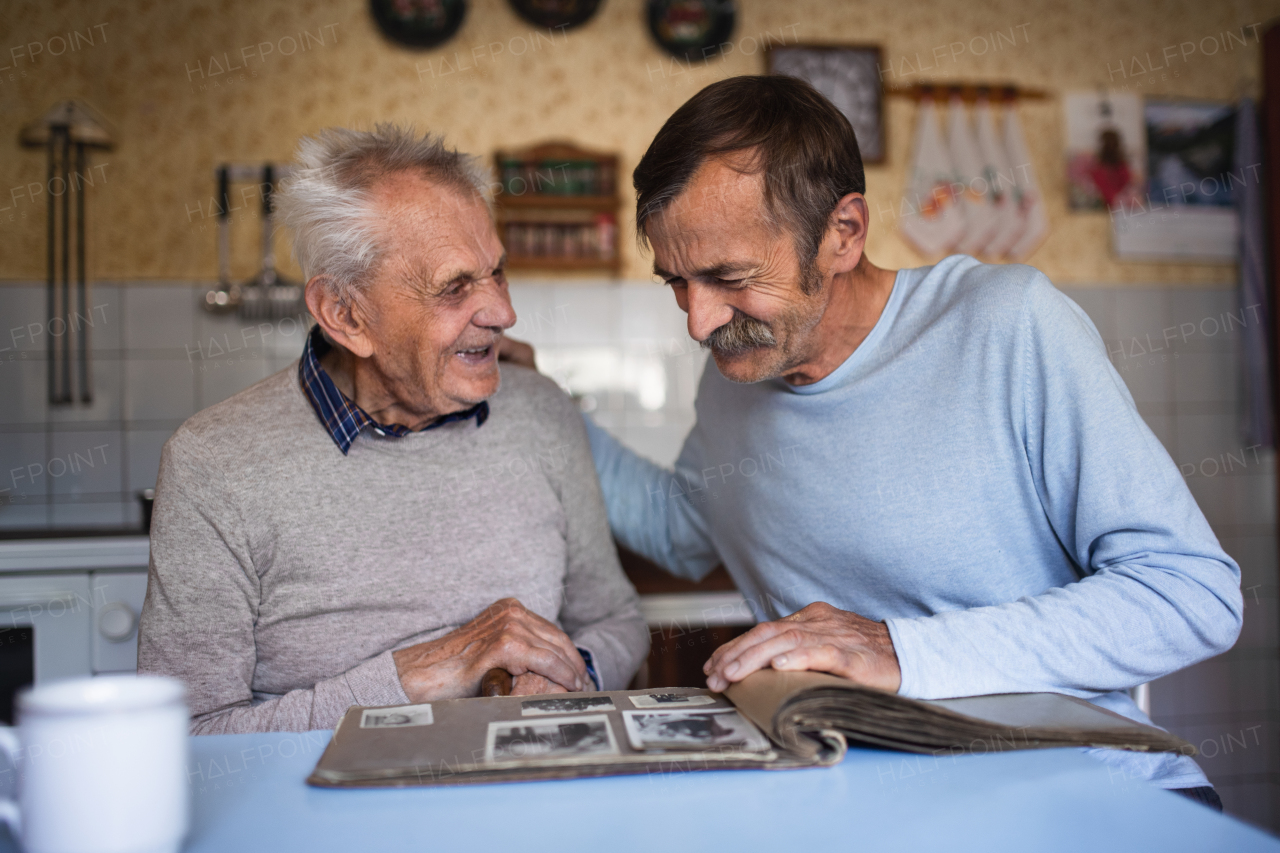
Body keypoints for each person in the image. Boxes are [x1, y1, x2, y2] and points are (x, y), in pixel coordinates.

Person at [581, 76, 1240, 807]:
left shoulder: (1006, 325)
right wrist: (536, 401)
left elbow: (1191, 594)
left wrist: (897, 648)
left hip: (1092, 791)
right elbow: (682, 528)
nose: (698, 323)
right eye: (676, 281)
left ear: (844, 233)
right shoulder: (732, 376)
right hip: (890, 799)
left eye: (729, 276)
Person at [138, 125, 648, 734]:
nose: (502, 313)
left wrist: (573, 672)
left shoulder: (543, 413)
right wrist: (413, 680)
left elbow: (616, 618)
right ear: (347, 315)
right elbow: (186, 736)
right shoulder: (214, 463)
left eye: (497, 273)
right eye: (455, 288)